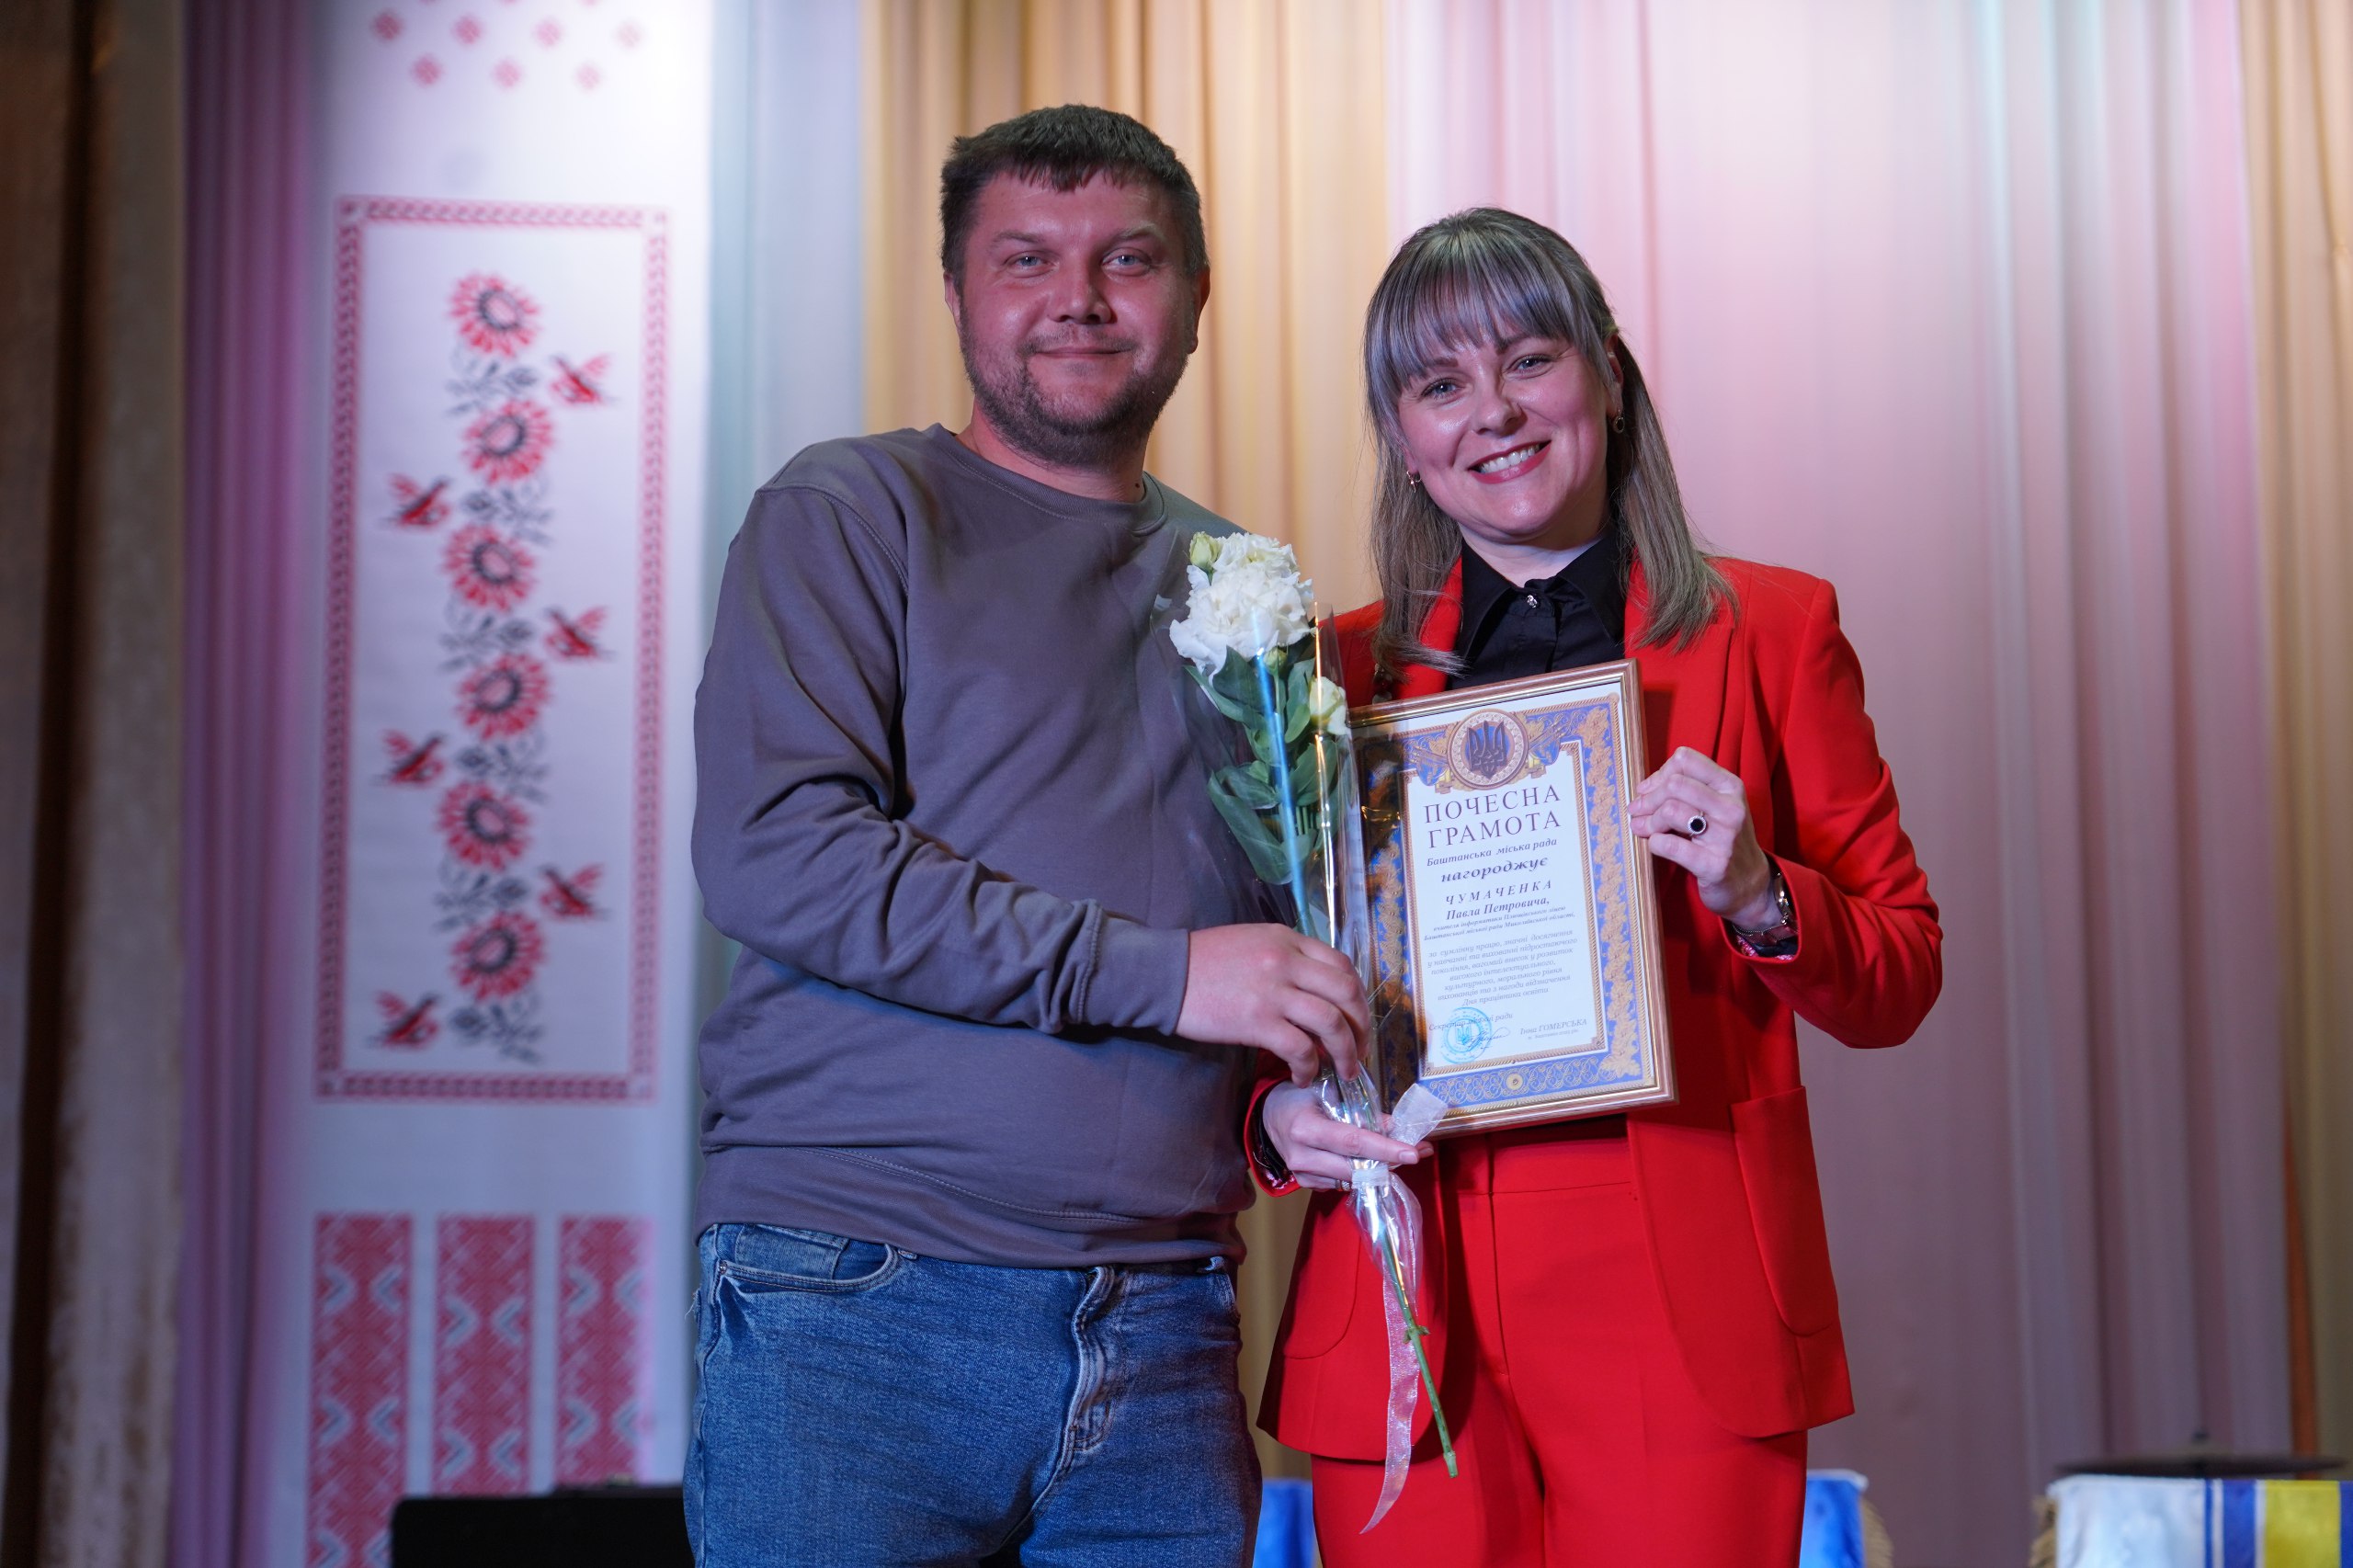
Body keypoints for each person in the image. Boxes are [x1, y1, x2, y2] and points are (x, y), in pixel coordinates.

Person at [687, 105, 1369, 1567]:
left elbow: (1259, 935)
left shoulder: (1246, 586)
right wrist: (1168, 976)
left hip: (1170, 1323)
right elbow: (781, 852)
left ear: (1195, 297)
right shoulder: (851, 510)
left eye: (1129, 258)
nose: (1080, 297)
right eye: (1026, 259)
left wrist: (1270, 1107)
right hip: (859, 1295)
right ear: (955, 293)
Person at [1249, 209, 1942, 1566]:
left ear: (1608, 375)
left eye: (1529, 361)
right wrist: (1270, 1120)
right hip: (1406, 1270)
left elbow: (1901, 971)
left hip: (1680, 1280)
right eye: (1440, 383)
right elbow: (1248, 988)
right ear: (1400, 433)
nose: (1493, 413)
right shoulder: (1321, 675)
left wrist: (1761, 893)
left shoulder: (1772, 631)